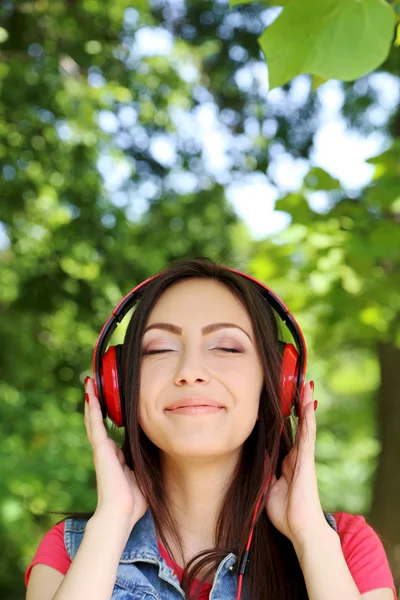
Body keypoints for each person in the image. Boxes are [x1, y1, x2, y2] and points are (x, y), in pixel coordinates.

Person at [25, 257, 397, 600]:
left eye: (227, 347)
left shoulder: (345, 547)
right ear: (119, 387)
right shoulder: (71, 551)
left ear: (278, 384)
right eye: (159, 349)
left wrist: (309, 535)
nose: (190, 372)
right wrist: (112, 521)